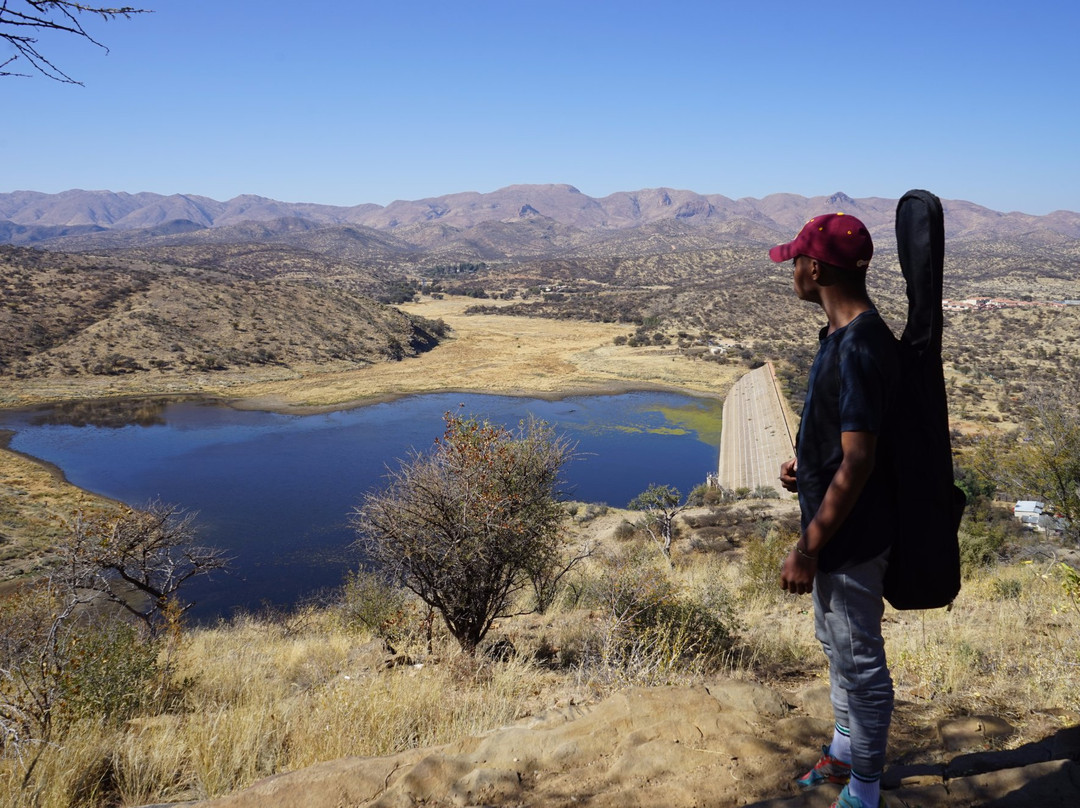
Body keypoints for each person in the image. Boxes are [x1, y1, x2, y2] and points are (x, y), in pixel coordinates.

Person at [770, 213, 899, 808]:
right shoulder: (840, 335)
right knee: (837, 648)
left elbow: (860, 461)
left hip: (848, 540)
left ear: (815, 269)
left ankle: (864, 794)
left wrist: (808, 547)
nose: (791, 270)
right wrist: (807, 463)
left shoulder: (860, 346)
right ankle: (845, 755)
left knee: (860, 665)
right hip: (836, 532)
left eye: (795, 261)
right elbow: (847, 441)